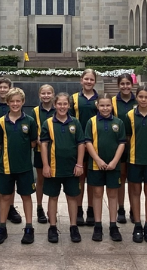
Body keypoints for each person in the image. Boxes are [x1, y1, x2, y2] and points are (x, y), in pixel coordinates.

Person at [0, 87, 38, 244]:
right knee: (5, 197)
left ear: (23, 102)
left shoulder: (30, 121)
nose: (15, 104)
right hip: (6, 166)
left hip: (24, 166)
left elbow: (33, 142)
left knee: (26, 196)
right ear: (7, 102)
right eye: (12, 101)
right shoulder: (1, 122)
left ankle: (29, 227)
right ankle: (2, 227)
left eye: (18, 101)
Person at [41, 92, 86, 243]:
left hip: (71, 168)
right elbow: (44, 145)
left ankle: (73, 226)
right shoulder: (48, 123)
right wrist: (46, 166)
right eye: (59, 104)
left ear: (69, 105)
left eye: (65, 104)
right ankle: (52, 227)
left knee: (72, 197)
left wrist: (79, 164)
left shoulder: (75, 123)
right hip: (53, 168)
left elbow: (81, 144)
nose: (62, 107)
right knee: (53, 197)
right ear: (55, 105)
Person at [123, 84, 147, 243]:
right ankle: (137, 224)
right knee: (135, 192)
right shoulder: (129, 116)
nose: (144, 99)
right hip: (134, 159)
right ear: (136, 97)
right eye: (141, 97)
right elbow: (127, 136)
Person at [85, 94, 127, 242]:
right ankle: (97, 225)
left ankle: (113, 225)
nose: (105, 108)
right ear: (97, 106)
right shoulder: (91, 122)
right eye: (102, 105)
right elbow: (88, 142)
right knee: (97, 193)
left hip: (113, 166)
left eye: (108, 105)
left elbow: (122, 142)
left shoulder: (118, 122)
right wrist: (98, 160)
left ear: (112, 106)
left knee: (112, 194)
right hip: (96, 165)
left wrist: (115, 161)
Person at [69, 69, 99, 226]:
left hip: (96, 144)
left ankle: (91, 209)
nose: (88, 82)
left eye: (91, 79)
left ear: (95, 81)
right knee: (79, 177)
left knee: (92, 179)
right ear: (81, 80)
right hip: (79, 144)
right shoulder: (74, 98)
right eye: (86, 79)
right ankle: (79, 209)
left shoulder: (99, 98)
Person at [0, 76, 21, 226]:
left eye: (6, 87)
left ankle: (10, 207)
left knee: (13, 178)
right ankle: (0, 207)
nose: (3, 90)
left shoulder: (14, 105)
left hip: (14, 148)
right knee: (1, 180)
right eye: (0, 87)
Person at [111, 73, 137, 225]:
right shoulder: (113, 101)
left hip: (136, 144)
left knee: (133, 180)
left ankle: (134, 209)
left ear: (132, 85)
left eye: (128, 83)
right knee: (120, 177)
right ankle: (121, 209)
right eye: (123, 84)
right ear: (118, 85)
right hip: (119, 145)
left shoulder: (138, 99)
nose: (125, 86)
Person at [30, 84, 56, 224]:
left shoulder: (58, 108)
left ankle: (52, 210)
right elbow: (33, 132)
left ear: (53, 95)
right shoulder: (35, 111)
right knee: (40, 179)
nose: (46, 96)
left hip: (57, 152)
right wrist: (43, 143)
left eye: (48, 93)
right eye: (43, 93)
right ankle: (39, 208)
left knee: (55, 181)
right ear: (39, 95)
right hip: (40, 151)